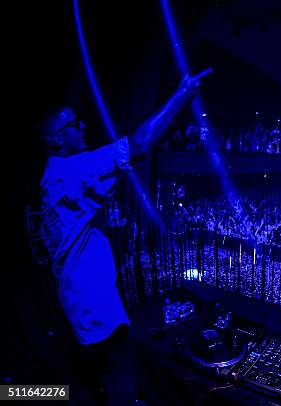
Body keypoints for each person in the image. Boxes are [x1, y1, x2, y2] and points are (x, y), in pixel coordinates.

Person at [38, 70, 210, 403]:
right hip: (98, 316)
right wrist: (181, 95)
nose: (83, 126)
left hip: (84, 312)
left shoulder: (55, 179)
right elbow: (140, 143)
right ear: (57, 138)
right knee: (121, 384)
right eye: (74, 124)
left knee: (109, 380)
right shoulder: (70, 172)